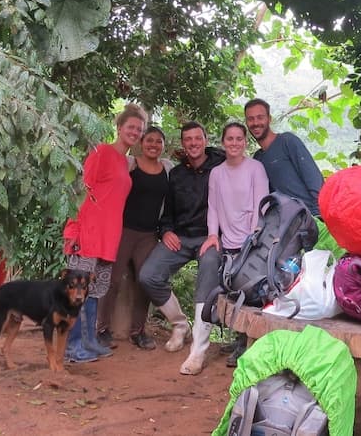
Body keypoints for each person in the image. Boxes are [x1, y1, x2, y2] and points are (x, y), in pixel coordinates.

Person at [137, 122, 225, 375]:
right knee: (149, 275)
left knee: (207, 278)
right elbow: (168, 212)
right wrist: (166, 231)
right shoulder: (175, 174)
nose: (193, 143)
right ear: (183, 143)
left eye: (198, 138)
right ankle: (179, 324)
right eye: (188, 139)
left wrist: (219, 235)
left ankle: (198, 350)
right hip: (182, 238)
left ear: (206, 140)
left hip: (211, 238)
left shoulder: (220, 167)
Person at [62, 103, 147, 363]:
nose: (135, 132)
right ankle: (73, 346)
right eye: (130, 127)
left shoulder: (124, 161)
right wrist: (73, 229)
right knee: (77, 291)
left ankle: (89, 341)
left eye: (139, 129)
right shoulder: (101, 152)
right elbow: (80, 190)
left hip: (108, 237)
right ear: (119, 127)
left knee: (95, 291)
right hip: (87, 233)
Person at [198, 123, 269, 370]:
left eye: (239, 138)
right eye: (230, 138)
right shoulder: (217, 173)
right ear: (223, 142)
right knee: (231, 291)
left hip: (250, 241)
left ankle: (245, 344)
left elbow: (261, 205)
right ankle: (237, 337)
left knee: (251, 294)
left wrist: (254, 237)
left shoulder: (255, 168)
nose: (235, 143)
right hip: (227, 240)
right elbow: (213, 207)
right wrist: (212, 235)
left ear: (245, 142)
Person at [97, 126, 174, 350]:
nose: (153, 145)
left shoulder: (168, 168)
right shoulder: (129, 163)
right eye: (149, 140)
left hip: (149, 235)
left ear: (163, 145)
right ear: (141, 143)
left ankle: (138, 331)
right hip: (123, 231)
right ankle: (101, 329)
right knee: (111, 280)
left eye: (158, 141)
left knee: (145, 281)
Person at [244, 98, 324, 216]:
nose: (255, 123)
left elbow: (314, 180)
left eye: (260, 117)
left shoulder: (287, 141)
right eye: (250, 119)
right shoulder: (257, 159)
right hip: (284, 221)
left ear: (269, 119)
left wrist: (318, 216)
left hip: (309, 215)